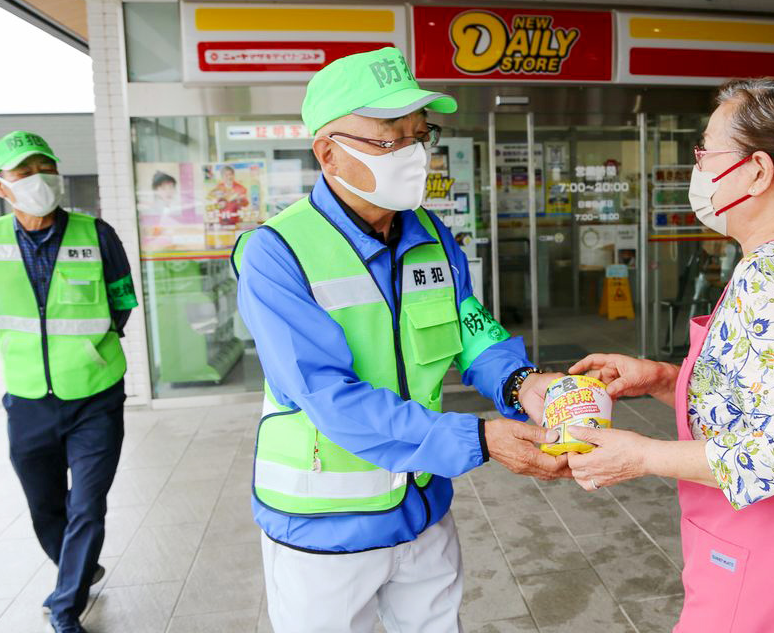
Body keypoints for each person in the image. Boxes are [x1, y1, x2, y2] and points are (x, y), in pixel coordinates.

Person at [232, 47, 570, 633]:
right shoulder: (276, 253)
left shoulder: (431, 235)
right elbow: (327, 395)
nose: (414, 153)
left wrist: (522, 382)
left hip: (423, 508)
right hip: (325, 525)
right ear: (328, 152)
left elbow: (470, 329)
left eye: (420, 134)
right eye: (389, 138)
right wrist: (480, 440)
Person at [564, 78, 774, 633]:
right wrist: (662, 378)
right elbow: (769, 395)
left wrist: (641, 455)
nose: (698, 168)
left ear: (758, 171)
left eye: (705, 152)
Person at [0, 131, 138, 633]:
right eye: (24, 172)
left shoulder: (96, 234)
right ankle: (78, 567)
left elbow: (121, 299)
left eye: (45, 168)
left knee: (87, 504)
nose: (39, 179)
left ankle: (66, 605)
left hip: (95, 394)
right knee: (43, 506)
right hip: (27, 398)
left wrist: (87, 349)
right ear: (1, 184)